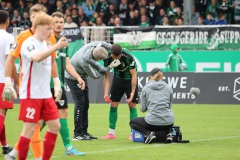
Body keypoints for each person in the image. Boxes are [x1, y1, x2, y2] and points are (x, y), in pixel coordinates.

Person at [3, 12, 68, 160]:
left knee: (55, 126)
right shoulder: (28, 43)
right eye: (48, 28)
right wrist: (56, 46)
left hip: (45, 94)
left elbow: (51, 61)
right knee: (29, 130)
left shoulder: (45, 43)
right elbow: (37, 58)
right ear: (38, 27)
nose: (51, 31)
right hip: (31, 95)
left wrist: (57, 82)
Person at [45, 11, 85, 156]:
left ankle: (68, 148)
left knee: (60, 113)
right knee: (47, 116)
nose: (59, 24)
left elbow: (67, 63)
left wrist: (78, 77)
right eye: (56, 22)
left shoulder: (63, 42)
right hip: (46, 85)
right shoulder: (46, 41)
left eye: (61, 22)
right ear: (51, 23)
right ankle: (30, 141)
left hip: (58, 85)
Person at [65, 41, 121, 141]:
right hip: (72, 77)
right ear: (97, 59)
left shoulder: (95, 45)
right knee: (80, 103)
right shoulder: (85, 61)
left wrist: (114, 49)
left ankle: (84, 132)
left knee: (86, 103)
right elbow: (95, 75)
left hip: (82, 77)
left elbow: (104, 43)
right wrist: (110, 66)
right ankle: (77, 134)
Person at [101, 44, 138, 140]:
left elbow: (134, 75)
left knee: (132, 104)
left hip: (129, 80)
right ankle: (111, 133)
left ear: (121, 53)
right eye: (115, 57)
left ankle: (133, 133)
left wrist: (132, 93)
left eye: (119, 56)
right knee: (113, 105)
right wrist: (105, 93)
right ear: (112, 54)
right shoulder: (107, 57)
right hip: (117, 80)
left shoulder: (129, 58)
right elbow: (107, 77)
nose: (116, 58)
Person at [129, 68, 175, 144]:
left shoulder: (146, 88)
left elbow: (143, 109)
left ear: (151, 77)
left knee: (132, 122)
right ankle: (168, 134)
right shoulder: (169, 87)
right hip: (169, 122)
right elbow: (170, 106)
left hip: (152, 123)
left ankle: (148, 134)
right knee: (165, 120)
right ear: (162, 77)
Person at [0, 10, 15, 156]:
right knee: (2, 113)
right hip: (3, 79)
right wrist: (16, 80)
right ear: (7, 21)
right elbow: (9, 61)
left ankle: (4, 145)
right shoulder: (9, 37)